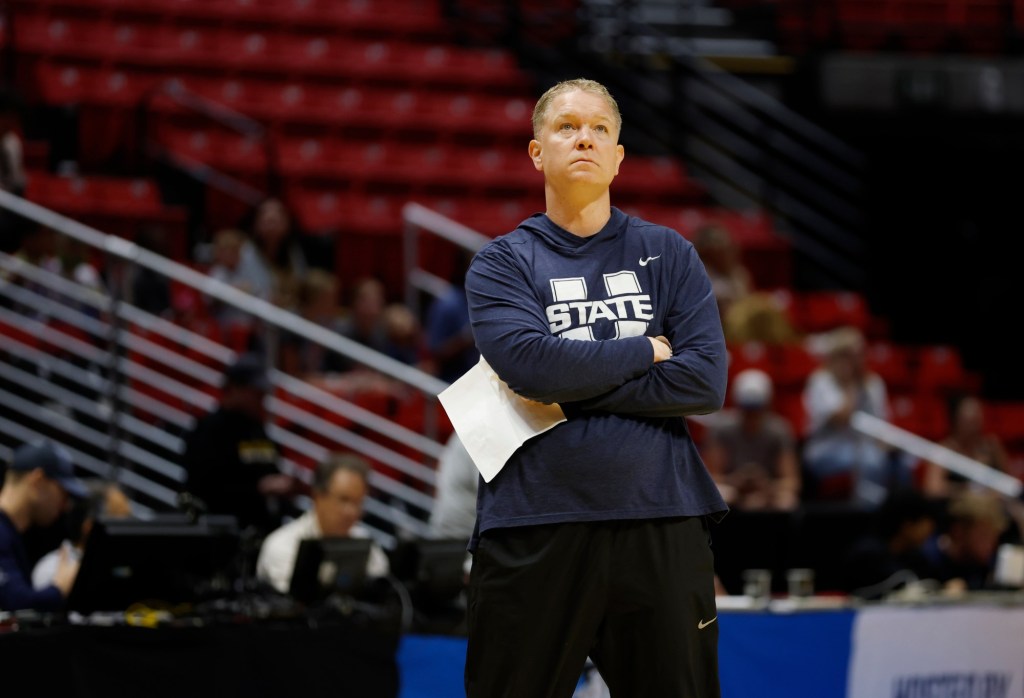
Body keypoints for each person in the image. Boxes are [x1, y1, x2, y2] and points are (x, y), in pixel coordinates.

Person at [461, 78, 728, 698]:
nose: (585, 137)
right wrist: (642, 351)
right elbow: (529, 365)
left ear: (618, 155)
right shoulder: (501, 262)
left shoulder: (671, 253)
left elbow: (703, 380)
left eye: (600, 129)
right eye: (567, 127)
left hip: (662, 518)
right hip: (533, 523)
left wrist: (563, 379)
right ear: (536, 151)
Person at [180, 353, 301, 538]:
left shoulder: (258, 429)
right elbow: (205, 488)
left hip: (262, 531)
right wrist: (259, 488)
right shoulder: (208, 430)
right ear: (234, 388)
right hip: (222, 535)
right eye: (255, 392)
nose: (261, 399)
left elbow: (272, 470)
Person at [255, 452, 389, 595]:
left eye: (358, 502)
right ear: (318, 497)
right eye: (344, 500)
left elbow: (382, 588)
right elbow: (293, 605)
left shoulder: (364, 542)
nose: (351, 511)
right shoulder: (282, 546)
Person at [801, 325, 903, 506]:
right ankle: (868, 514)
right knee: (868, 460)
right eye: (848, 356)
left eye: (859, 355)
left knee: (903, 465)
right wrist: (852, 385)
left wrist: (888, 444)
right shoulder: (821, 381)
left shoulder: (874, 383)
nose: (856, 361)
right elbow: (840, 418)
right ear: (836, 356)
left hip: (864, 446)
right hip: (826, 448)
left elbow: (881, 424)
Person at [0, 440, 88, 612]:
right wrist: (60, 587)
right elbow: (16, 605)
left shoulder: (9, 532)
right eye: (62, 493)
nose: (65, 505)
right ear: (37, 481)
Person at [702, 368, 801, 511]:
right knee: (723, 494)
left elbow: (792, 482)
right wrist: (735, 481)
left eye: (757, 409)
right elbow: (710, 478)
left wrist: (765, 485)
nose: (751, 416)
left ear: (767, 406)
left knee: (787, 501)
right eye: (747, 409)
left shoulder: (779, 430)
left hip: (767, 490)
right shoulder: (722, 429)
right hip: (732, 490)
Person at [31, 479, 133, 589]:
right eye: (119, 523)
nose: (128, 531)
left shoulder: (124, 567)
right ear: (89, 527)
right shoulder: (51, 570)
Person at [839, 488, 940, 598]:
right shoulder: (866, 556)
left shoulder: (916, 557)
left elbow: (932, 584)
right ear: (907, 525)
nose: (930, 530)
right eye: (925, 523)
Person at [921, 393, 1010, 498]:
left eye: (977, 415)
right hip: (958, 506)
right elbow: (932, 488)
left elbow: (1009, 484)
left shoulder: (991, 446)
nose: (974, 421)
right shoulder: (944, 450)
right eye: (968, 418)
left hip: (993, 504)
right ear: (955, 419)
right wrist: (967, 490)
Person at [921, 490, 1013, 592]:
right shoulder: (925, 561)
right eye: (984, 536)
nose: (991, 544)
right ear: (958, 532)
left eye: (994, 537)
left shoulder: (989, 564)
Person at [424, 247, 480, 384]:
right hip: (451, 382)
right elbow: (435, 351)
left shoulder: (480, 300)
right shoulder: (447, 303)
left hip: (480, 380)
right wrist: (464, 339)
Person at [427, 432, 478, 542]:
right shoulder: (478, 436)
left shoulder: (461, 432)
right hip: (462, 537)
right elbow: (495, 496)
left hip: (444, 531)